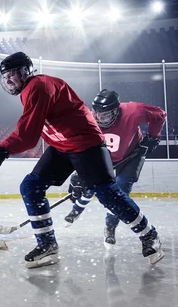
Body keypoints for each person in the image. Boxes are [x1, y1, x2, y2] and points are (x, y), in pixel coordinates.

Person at [0, 51, 163, 269]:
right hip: (62, 146)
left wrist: (0, 150)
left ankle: (149, 235)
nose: (8, 79)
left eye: (12, 73)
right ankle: (47, 245)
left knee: (107, 194)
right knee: (31, 186)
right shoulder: (29, 90)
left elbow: (28, 135)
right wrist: (1, 150)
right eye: (5, 76)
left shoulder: (38, 86)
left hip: (86, 144)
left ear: (25, 71)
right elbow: (32, 132)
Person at [63, 89, 166, 246]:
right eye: (97, 113)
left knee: (119, 192)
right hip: (106, 157)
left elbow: (159, 114)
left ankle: (110, 226)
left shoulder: (133, 111)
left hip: (132, 155)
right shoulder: (88, 120)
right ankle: (76, 211)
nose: (100, 118)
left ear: (117, 111)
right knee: (90, 185)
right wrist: (79, 172)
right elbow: (79, 147)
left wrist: (153, 137)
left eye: (105, 114)